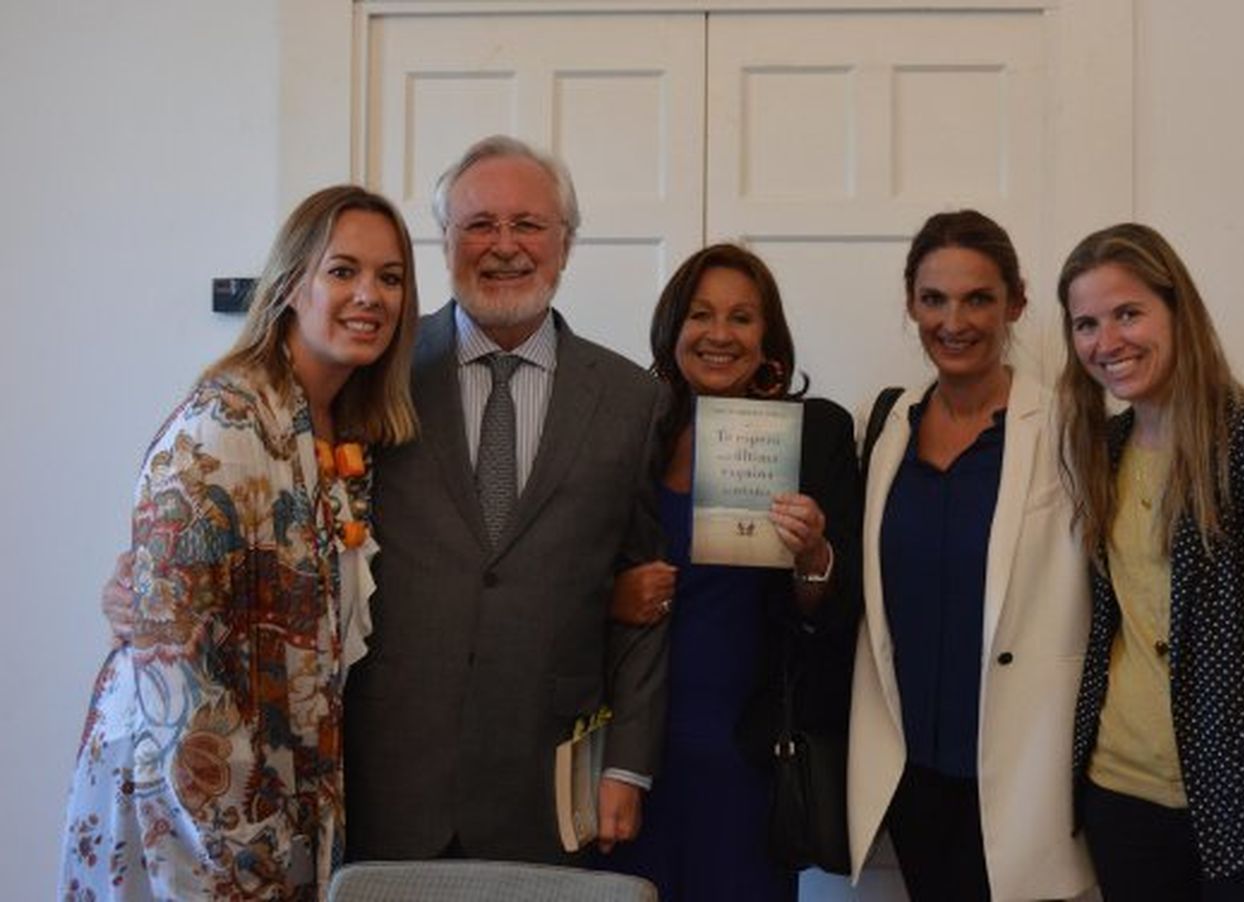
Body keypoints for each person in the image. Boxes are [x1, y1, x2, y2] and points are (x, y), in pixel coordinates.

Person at [60, 185, 421, 900]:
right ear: (289, 286)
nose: (369, 296)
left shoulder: (340, 425)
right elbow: (174, 675)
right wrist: (246, 847)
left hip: (277, 796)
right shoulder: (222, 426)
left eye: (390, 277)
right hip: (189, 814)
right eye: (342, 270)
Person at [341, 135, 670, 864]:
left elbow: (646, 596)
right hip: (389, 775)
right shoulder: (376, 370)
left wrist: (627, 765)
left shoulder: (631, 401)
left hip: (545, 785)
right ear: (445, 240)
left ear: (566, 243)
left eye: (528, 224)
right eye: (479, 224)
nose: (504, 246)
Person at [1057, 223, 1244, 901]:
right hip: (1120, 800)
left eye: (1128, 313)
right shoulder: (1101, 448)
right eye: (1086, 324)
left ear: (1178, 309)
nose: (1107, 342)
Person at [600, 244, 862, 901]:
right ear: (673, 328)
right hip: (630, 756)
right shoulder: (629, 431)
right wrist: (611, 598)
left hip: (749, 755)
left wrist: (814, 556)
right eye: (701, 314)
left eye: (742, 318)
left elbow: (837, 613)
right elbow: (565, 568)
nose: (719, 334)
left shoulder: (815, 434)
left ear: (767, 338)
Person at [847, 210, 1094, 901]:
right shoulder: (884, 426)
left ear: (1016, 302)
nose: (954, 322)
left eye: (978, 299)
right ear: (911, 304)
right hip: (912, 775)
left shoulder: (1070, 429)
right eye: (934, 299)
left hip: (1025, 774)